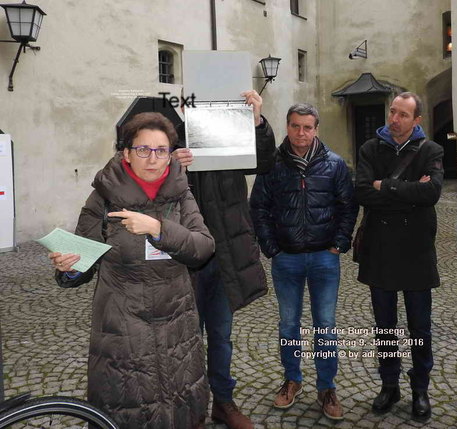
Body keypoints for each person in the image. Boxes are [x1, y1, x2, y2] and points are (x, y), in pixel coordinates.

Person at [49, 112, 214, 429]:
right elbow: (83, 260)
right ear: (125, 153)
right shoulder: (104, 199)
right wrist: (69, 267)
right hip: (121, 331)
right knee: (127, 411)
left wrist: (158, 228)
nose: (153, 159)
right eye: (143, 150)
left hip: (177, 325)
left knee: (181, 407)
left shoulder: (181, 195)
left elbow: (203, 248)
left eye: (161, 150)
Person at [172, 90, 275, 429]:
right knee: (186, 339)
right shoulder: (173, 136)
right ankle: (191, 407)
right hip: (186, 258)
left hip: (225, 255)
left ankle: (223, 403)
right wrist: (174, 165)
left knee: (220, 334)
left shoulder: (232, 132)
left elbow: (264, 162)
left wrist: (257, 121)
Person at [249, 103, 358, 421]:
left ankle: (327, 387)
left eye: (307, 127)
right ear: (287, 127)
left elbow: (348, 205)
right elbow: (258, 207)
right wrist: (271, 247)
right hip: (287, 259)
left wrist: (339, 243)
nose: (301, 133)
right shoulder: (272, 166)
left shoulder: (335, 165)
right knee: (288, 325)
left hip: (325, 258)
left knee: (325, 326)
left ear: (316, 129)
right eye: (295, 126)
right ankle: (292, 379)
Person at [355, 92, 443, 421]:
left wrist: (386, 187)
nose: (395, 119)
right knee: (386, 327)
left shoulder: (431, 150)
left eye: (403, 115)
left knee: (420, 328)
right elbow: (362, 191)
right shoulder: (370, 149)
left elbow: (431, 192)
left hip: (417, 251)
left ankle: (420, 389)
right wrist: (408, 191)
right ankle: (389, 384)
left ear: (416, 120)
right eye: (393, 111)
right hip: (380, 250)